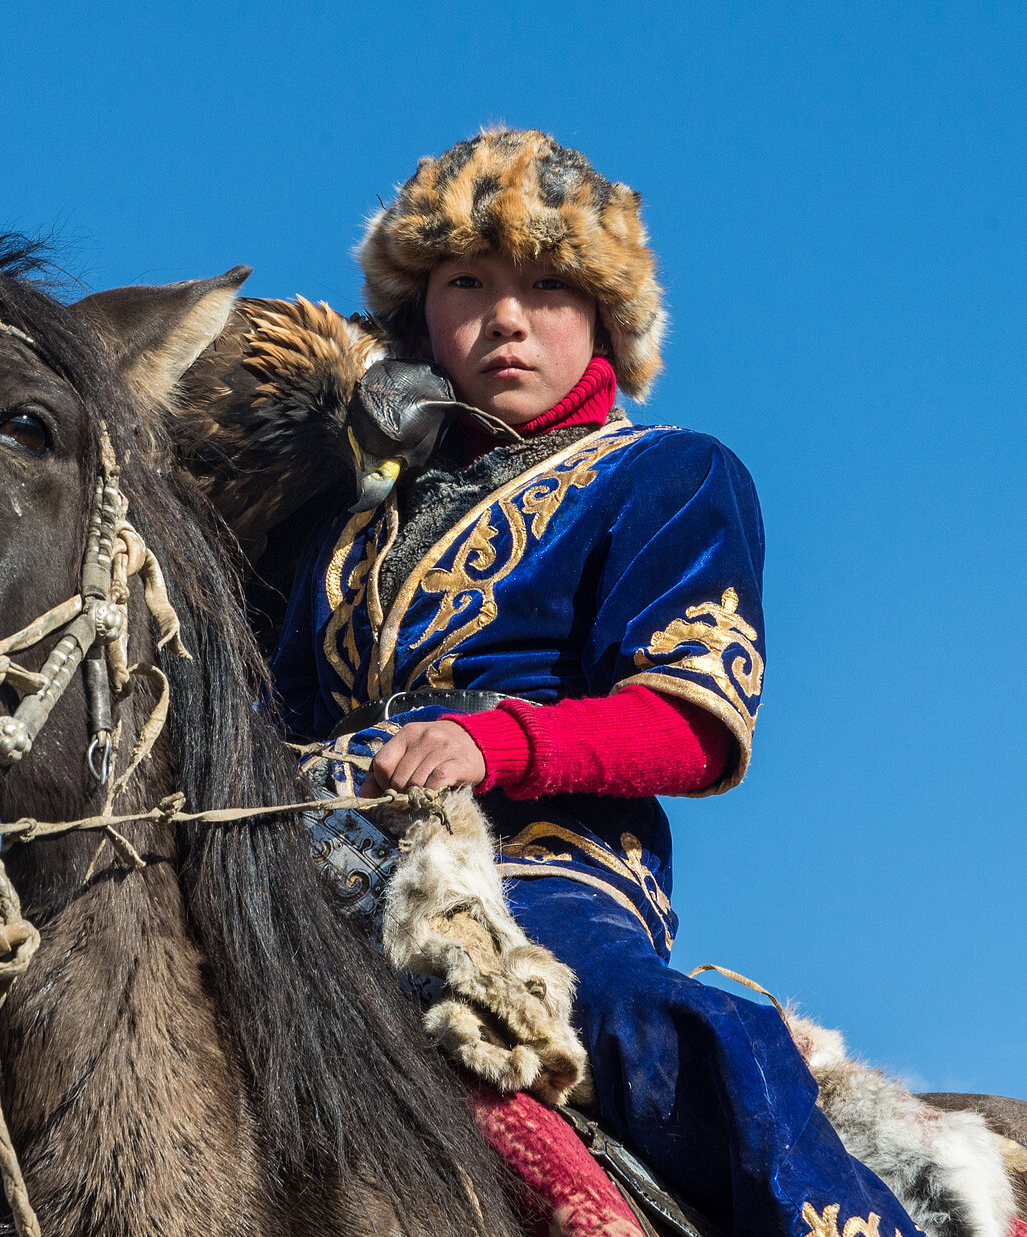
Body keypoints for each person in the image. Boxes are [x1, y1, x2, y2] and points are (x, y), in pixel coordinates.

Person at [263, 129, 927, 1237]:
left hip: (542, 866)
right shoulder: (341, 532)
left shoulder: (666, 476)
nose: (505, 318)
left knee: (640, 1024)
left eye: (546, 286)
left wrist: (491, 745)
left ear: (605, 319)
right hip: (308, 860)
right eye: (466, 284)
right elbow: (278, 712)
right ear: (418, 316)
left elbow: (689, 724)